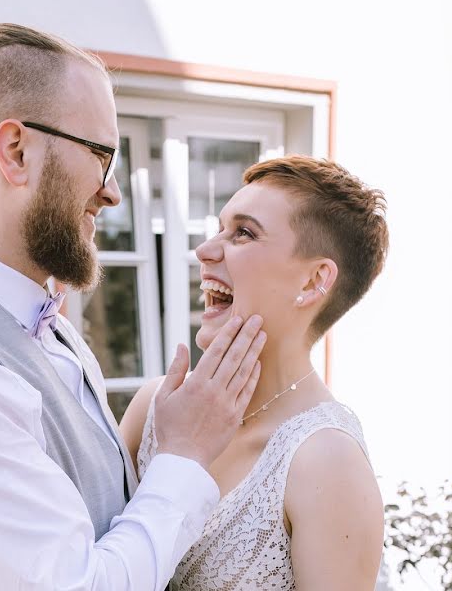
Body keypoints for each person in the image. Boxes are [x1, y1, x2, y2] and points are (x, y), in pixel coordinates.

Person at [0, 7, 265, 591]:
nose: (112, 192)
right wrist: (185, 457)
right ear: (16, 151)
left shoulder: (47, 328)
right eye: (103, 154)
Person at [121, 155, 389, 590]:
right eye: (219, 228)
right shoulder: (153, 409)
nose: (205, 251)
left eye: (243, 233)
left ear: (312, 282)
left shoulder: (326, 463)